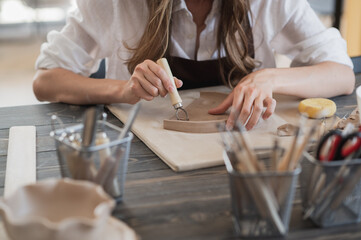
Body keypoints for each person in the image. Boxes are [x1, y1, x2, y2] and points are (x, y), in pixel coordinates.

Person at [33, 0, 355, 130]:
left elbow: (341, 74)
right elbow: (46, 81)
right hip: (143, 157)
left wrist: (269, 78)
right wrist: (123, 89)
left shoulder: (269, 2)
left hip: (245, 149)